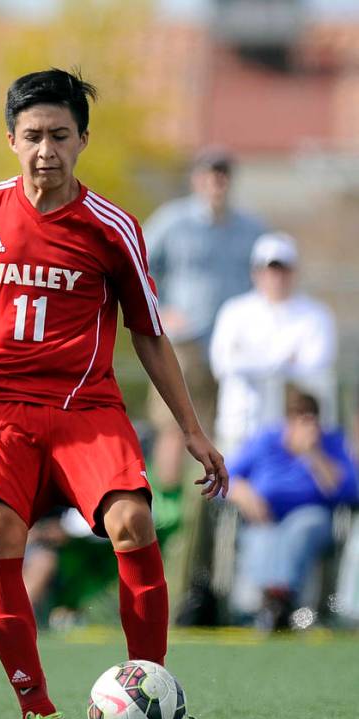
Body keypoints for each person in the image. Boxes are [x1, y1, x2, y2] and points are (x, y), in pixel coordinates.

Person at [0, 68, 229, 719]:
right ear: (11, 138)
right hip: (0, 409)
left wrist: (192, 429)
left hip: (86, 407)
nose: (45, 149)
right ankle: (38, 712)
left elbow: (149, 333)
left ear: (82, 139)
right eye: (32, 135)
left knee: (132, 520)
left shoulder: (112, 226)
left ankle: (161, 703)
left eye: (60, 135)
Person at [142, 147, 266, 493]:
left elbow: (266, 275)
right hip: (185, 341)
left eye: (223, 173)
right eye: (210, 173)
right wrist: (162, 308)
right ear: (197, 179)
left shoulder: (250, 228)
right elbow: (140, 268)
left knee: (222, 426)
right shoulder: (173, 222)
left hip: (233, 345)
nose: (217, 181)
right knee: (173, 424)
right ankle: (168, 508)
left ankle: (210, 509)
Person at [227, 388, 357, 630]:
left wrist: (313, 454)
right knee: (262, 537)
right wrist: (242, 493)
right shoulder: (265, 441)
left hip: (312, 515)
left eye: (310, 417)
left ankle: (281, 600)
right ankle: (265, 605)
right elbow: (224, 478)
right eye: (297, 417)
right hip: (264, 516)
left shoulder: (331, 443)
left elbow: (349, 490)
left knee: (301, 528)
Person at [210, 232, 337, 458]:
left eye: (283, 269)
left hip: (296, 435)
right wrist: (284, 358)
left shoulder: (317, 315)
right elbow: (222, 363)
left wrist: (249, 357)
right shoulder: (234, 311)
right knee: (234, 489)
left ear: (294, 271)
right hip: (240, 427)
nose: (276, 277)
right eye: (269, 269)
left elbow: (314, 365)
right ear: (256, 272)